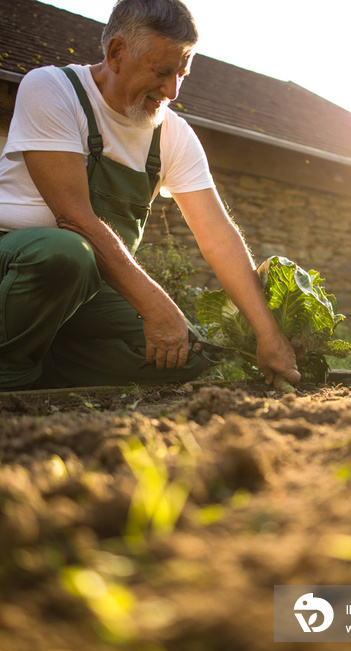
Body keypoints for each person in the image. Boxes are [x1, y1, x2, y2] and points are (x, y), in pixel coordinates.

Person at [0, 0, 300, 390]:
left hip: (89, 286)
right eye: (162, 72)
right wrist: (157, 305)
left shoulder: (172, 135)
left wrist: (268, 334)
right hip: (18, 263)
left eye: (182, 73)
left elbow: (218, 236)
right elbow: (73, 217)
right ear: (116, 53)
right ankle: (10, 376)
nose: (172, 90)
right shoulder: (52, 89)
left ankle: (38, 364)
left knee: (186, 355)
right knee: (66, 253)